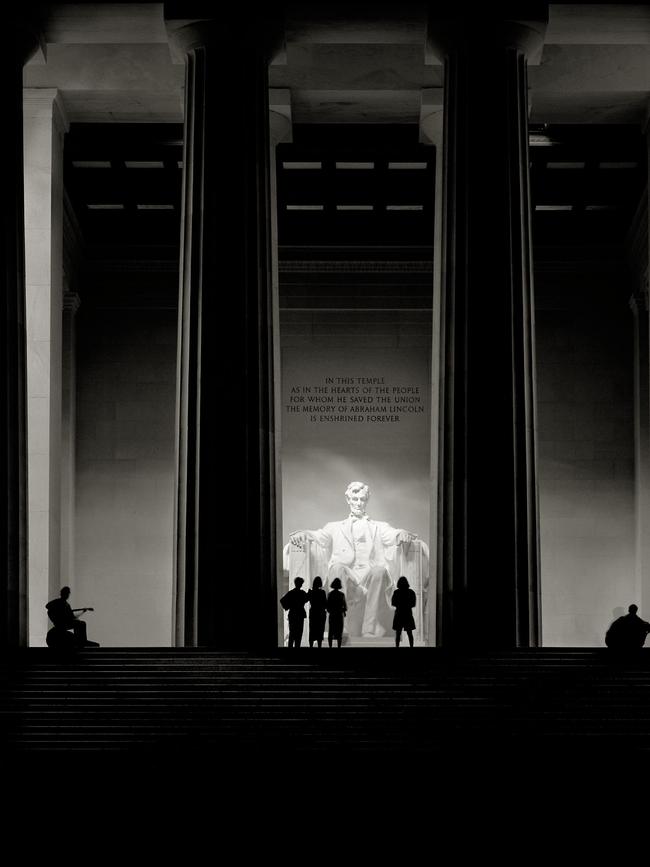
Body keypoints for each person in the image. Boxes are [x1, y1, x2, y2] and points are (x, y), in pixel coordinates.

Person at [288, 481, 418, 638]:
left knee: (379, 570)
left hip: (371, 578)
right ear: (348, 500)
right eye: (355, 499)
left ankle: (369, 629)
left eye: (362, 499)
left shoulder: (379, 526)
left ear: (366, 501)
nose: (358, 503)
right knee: (336, 568)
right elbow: (319, 535)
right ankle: (340, 627)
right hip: (347, 578)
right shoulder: (334, 527)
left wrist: (401, 533)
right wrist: (304, 533)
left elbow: (392, 534)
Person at [280, 576, 309, 648]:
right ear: (301, 584)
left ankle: (290, 649)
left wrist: (287, 607)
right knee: (299, 633)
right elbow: (307, 599)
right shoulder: (302, 593)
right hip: (300, 614)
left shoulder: (291, 593)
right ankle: (297, 648)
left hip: (292, 614)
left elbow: (282, 601)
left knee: (292, 633)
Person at [391, 575, 416, 647]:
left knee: (398, 633)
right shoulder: (411, 592)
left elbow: (393, 603)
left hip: (399, 614)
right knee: (409, 633)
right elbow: (413, 604)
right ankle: (411, 647)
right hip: (408, 614)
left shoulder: (396, 592)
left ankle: (397, 647)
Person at [326, 577, 347, 648]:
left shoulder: (330, 594)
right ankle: (339, 646)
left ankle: (330, 646)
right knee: (339, 632)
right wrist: (343, 611)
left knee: (331, 631)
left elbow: (327, 606)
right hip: (339, 615)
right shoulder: (342, 595)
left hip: (332, 615)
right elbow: (345, 606)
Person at [307, 576, 327, 647]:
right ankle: (319, 647)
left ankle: (311, 646)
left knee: (312, 630)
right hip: (321, 614)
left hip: (313, 613)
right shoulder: (323, 592)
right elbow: (325, 604)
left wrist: (309, 592)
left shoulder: (311, 592)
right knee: (320, 631)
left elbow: (306, 599)